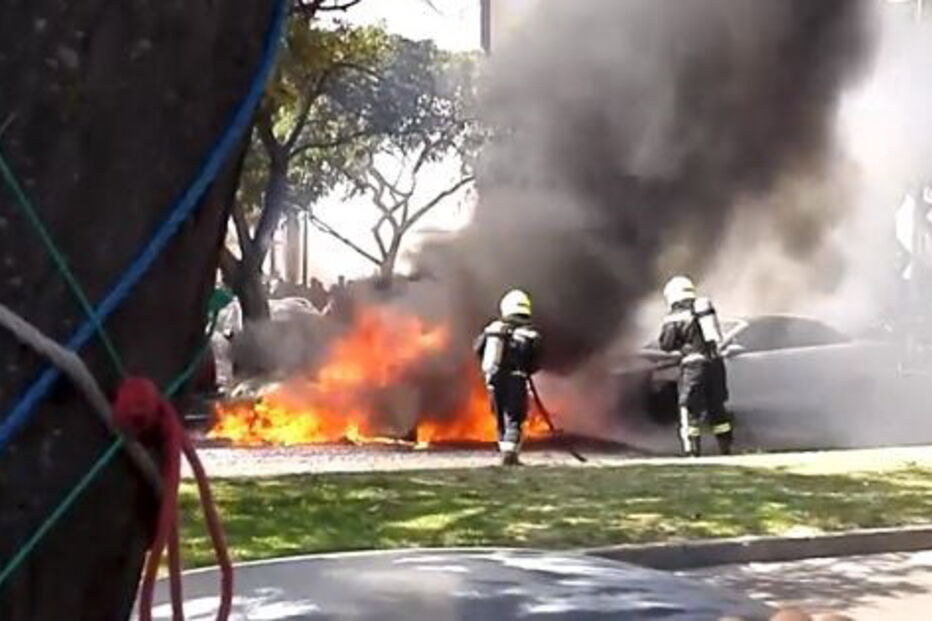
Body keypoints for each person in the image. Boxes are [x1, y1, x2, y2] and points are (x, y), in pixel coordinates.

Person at [659, 275, 733, 457]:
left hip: (693, 367)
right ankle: (726, 449)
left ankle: (692, 451)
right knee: (717, 408)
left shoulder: (675, 316)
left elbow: (666, 344)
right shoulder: (702, 310)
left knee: (690, 408)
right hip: (715, 364)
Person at [474, 289, 542, 466]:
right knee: (514, 417)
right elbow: (536, 360)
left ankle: (505, 451)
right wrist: (527, 370)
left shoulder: (492, 329)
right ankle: (510, 455)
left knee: (500, 416)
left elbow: (478, 349)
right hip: (516, 379)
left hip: (493, 379)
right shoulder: (530, 333)